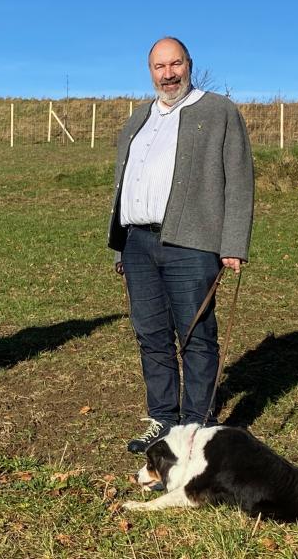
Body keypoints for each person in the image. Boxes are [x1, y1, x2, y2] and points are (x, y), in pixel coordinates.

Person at [107, 37, 254, 453]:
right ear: (149, 70)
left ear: (189, 64)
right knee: (151, 334)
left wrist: (233, 242)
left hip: (192, 243)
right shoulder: (139, 118)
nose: (168, 74)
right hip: (138, 241)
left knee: (196, 335)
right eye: (159, 67)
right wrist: (122, 245)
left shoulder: (218, 111)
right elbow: (126, 183)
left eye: (175, 64)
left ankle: (196, 427)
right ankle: (163, 420)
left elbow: (239, 179)